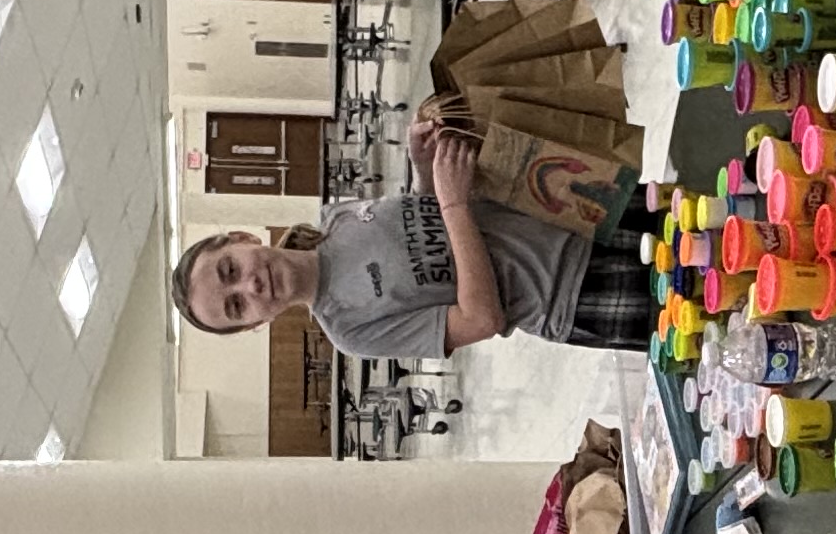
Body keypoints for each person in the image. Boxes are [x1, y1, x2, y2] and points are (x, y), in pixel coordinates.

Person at [171, 113, 649, 356]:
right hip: (577, 295)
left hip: (576, 210)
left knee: (714, 213)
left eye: (230, 270)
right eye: (238, 305)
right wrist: (454, 202)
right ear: (256, 324)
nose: (250, 286)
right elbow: (480, 319)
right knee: (715, 313)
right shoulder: (350, 329)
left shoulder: (334, 218)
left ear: (238, 237)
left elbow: (424, 228)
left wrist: (424, 169)